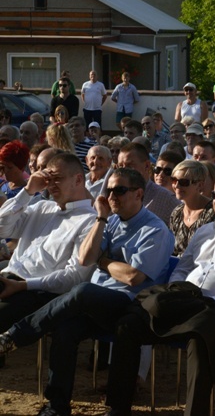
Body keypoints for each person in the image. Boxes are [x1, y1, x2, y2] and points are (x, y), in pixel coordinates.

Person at [0, 167, 174, 416]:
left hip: (129, 305)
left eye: (119, 190)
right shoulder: (110, 221)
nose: (112, 195)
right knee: (66, 328)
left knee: (82, 291)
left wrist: (103, 262)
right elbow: (85, 258)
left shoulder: (155, 230)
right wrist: (101, 219)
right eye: (109, 190)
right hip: (96, 301)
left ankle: (15, 336)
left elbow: (133, 277)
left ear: (138, 194)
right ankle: (57, 406)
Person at [103, 168, 215, 416]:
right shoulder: (205, 232)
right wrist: (182, 294)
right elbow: (180, 270)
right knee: (128, 324)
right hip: (184, 301)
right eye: (214, 194)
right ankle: (118, 408)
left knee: (201, 336)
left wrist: (207, 300)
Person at [0, 152, 96, 333]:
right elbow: (2, 228)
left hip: (38, 292)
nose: (51, 185)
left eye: (57, 179)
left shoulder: (90, 221)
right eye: (48, 179)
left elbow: (74, 277)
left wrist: (26, 285)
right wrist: (27, 191)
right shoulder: (41, 207)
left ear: (77, 180)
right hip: (9, 277)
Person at [118, 143, 181, 225]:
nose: (124, 170)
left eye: (129, 165)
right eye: (120, 166)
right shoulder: (114, 196)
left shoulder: (168, 200)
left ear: (147, 165)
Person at [168, 160, 215, 257]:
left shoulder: (213, 212)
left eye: (184, 182)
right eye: (174, 180)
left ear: (200, 185)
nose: (177, 185)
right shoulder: (177, 212)